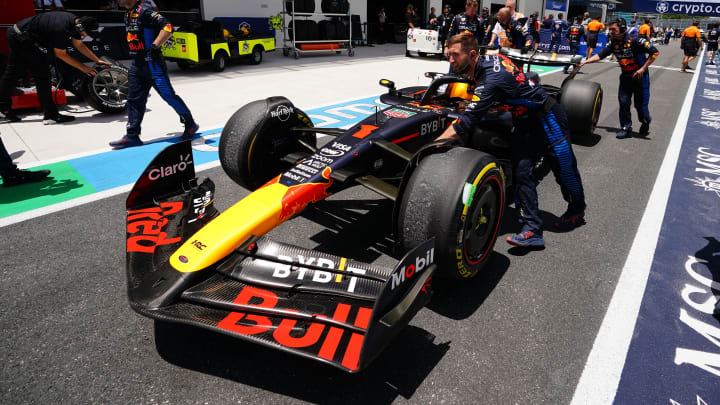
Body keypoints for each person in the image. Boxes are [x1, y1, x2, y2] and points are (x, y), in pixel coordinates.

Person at [436, 33, 587, 247]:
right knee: (521, 172)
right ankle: (532, 229)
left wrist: (433, 146)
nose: (450, 60)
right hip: (524, 121)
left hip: (547, 118)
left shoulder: (490, 81)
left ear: (471, 54)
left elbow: (464, 123)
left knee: (564, 170)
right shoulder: (488, 61)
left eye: (454, 55)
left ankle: (577, 209)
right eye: (448, 55)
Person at [109, 0, 198, 149]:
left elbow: (168, 27)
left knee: (168, 96)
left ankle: (190, 124)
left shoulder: (145, 10)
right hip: (136, 64)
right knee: (133, 100)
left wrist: (155, 46)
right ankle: (132, 136)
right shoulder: (128, 13)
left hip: (153, 64)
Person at [0, 13, 105, 124]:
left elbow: (79, 45)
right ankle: (51, 116)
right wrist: (83, 68)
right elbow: (61, 54)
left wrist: (96, 60)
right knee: (43, 76)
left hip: (16, 32)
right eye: (86, 33)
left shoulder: (76, 23)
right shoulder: (60, 29)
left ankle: (2, 107)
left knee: (12, 72)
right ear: (80, 27)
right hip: (24, 38)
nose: (86, 36)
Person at [580, 18, 658, 139]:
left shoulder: (635, 40)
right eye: (609, 29)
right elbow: (600, 55)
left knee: (640, 107)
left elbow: (655, 52)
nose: (610, 31)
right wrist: (586, 61)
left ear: (622, 28)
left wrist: (643, 68)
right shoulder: (613, 43)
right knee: (623, 103)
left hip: (640, 78)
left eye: (613, 29)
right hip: (625, 78)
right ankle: (626, 127)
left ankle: (645, 121)